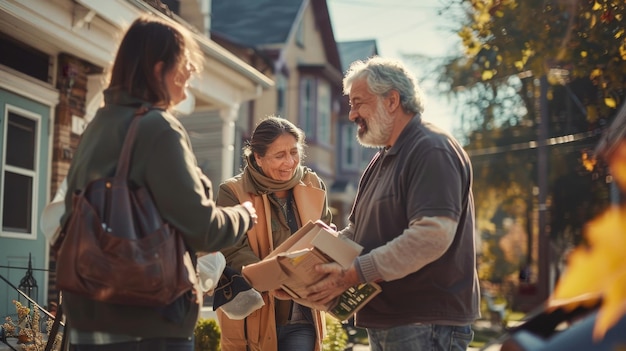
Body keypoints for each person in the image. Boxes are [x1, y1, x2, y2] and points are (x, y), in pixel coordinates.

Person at [59, 15, 257, 351]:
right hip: (148, 318)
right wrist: (244, 214)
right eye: (185, 66)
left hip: (87, 316)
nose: (190, 76)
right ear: (158, 69)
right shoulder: (158, 128)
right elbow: (202, 228)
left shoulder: (99, 125)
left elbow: (70, 217)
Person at [306, 56, 481, 351]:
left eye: (358, 102)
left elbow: (432, 236)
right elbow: (356, 231)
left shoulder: (431, 148)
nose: (352, 115)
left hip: (425, 321)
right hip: (389, 319)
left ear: (392, 101)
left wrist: (354, 273)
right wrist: (311, 266)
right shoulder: (381, 160)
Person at [215, 116, 333, 351]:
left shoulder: (313, 184)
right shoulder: (232, 192)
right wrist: (276, 277)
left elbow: (326, 234)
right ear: (258, 157)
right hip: (254, 315)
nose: (289, 162)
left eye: (294, 152)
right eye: (279, 156)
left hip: (302, 316)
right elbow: (232, 248)